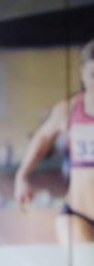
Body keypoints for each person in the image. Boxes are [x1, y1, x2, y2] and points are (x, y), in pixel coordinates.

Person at [14, 39, 94, 243]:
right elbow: (42, 137)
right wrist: (22, 176)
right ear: (82, 72)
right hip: (78, 214)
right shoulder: (68, 110)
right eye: (93, 75)